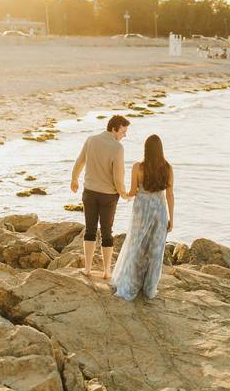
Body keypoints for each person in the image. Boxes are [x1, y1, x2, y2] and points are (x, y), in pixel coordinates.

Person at [111, 134, 175, 301]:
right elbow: (169, 194)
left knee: (136, 246)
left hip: (141, 210)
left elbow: (133, 192)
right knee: (155, 251)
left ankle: (130, 283)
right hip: (160, 211)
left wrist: (123, 194)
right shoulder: (168, 168)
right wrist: (172, 218)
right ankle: (149, 288)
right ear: (161, 149)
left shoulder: (138, 167)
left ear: (146, 148)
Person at [71, 115, 130, 278]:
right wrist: (124, 193)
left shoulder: (91, 140)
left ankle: (88, 269)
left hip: (89, 192)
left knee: (89, 230)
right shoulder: (117, 148)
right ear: (114, 129)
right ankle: (106, 272)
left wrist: (74, 179)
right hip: (108, 196)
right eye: (123, 132)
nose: (124, 136)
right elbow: (118, 177)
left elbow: (79, 161)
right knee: (106, 232)